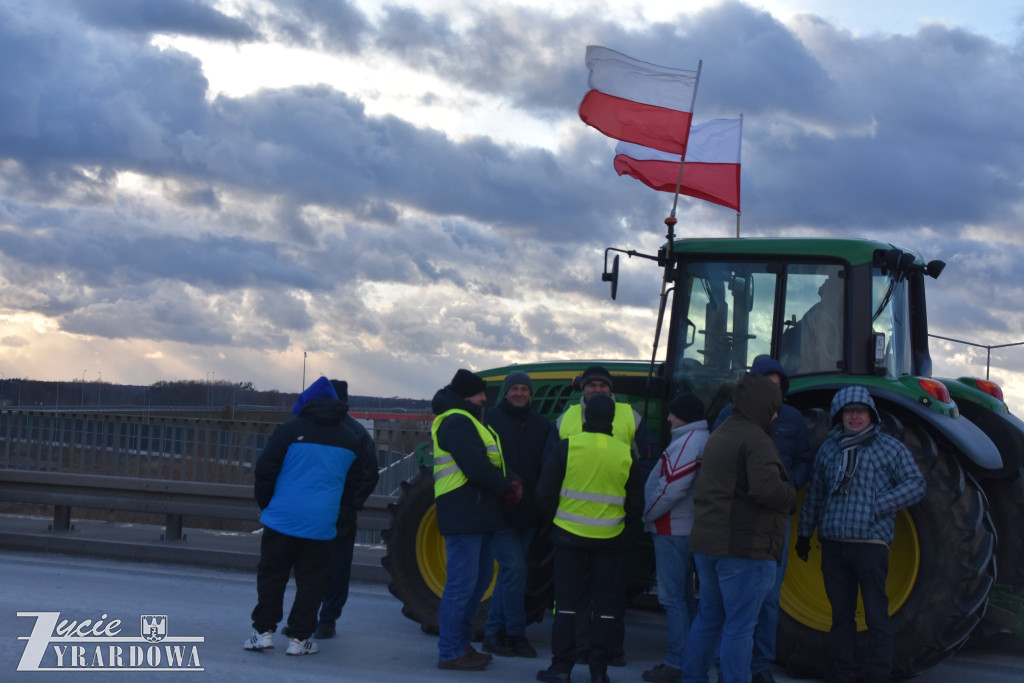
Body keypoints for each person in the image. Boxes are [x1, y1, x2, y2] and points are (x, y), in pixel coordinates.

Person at [796, 386, 925, 683]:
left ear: (871, 414)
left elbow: (916, 483)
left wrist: (879, 505)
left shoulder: (889, 448)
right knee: (841, 616)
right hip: (833, 544)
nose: (855, 417)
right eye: (849, 411)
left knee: (876, 615)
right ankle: (844, 672)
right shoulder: (829, 449)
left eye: (861, 411)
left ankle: (879, 674)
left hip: (870, 545)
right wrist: (805, 533)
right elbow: (815, 492)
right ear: (839, 416)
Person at [680, 373, 796, 683]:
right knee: (740, 627)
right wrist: (791, 492)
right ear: (761, 406)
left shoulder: (720, 434)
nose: (775, 414)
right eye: (773, 407)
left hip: (709, 546)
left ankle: (692, 678)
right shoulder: (756, 440)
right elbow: (768, 490)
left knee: (708, 619)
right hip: (744, 549)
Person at [245, 376, 368, 656]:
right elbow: (356, 483)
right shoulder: (352, 439)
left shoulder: (289, 431)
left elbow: (265, 471)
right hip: (322, 522)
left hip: (282, 518)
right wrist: (339, 512)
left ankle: (263, 632)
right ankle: (300, 639)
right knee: (312, 581)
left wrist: (268, 506)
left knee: (273, 575)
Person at [546, 365, 657, 666]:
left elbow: (646, 463)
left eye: (602, 385)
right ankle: (586, 651)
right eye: (592, 385)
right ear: (582, 389)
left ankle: (609, 652)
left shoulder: (630, 415)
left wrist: (628, 512)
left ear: (611, 389)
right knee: (583, 596)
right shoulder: (565, 418)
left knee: (605, 596)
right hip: (587, 526)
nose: (597, 389)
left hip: (608, 526)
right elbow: (550, 467)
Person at [712, 356, 812, 683]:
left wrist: (790, 485)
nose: (773, 389)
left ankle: (759, 664)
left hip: (774, 520)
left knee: (769, 597)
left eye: (777, 384)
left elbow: (803, 459)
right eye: (766, 383)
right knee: (731, 596)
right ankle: (725, 660)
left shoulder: (793, 419)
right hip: (737, 518)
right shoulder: (728, 416)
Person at [535, 394, 641, 683]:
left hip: (568, 539)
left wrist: (557, 523)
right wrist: (616, 523)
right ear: (612, 420)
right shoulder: (624, 453)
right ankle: (599, 672)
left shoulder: (567, 448)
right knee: (607, 608)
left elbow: (545, 493)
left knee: (567, 605)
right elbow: (635, 503)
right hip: (610, 540)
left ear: (584, 417)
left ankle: (561, 668)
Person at [432, 368, 524, 671]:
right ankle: (450, 651)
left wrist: (511, 479)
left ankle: (461, 645)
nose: (485, 398)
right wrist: (506, 487)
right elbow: (475, 465)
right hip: (463, 512)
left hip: (480, 513)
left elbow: (493, 460)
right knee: (461, 585)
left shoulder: (470, 420)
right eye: (480, 393)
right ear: (464, 395)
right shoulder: (455, 421)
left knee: (479, 581)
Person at [482, 371, 552, 658]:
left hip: (529, 514)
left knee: (511, 574)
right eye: (515, 389)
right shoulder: (490, 422)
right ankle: (516, 634)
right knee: (515, 570)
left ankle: (491, 633)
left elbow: (547, 466)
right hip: (497, 512)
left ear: (530, 394)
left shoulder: (542, 425)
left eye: (524, 389)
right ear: (506, 393)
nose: (520, 393)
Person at [641, 392, 709, 683]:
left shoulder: (687, 442)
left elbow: (672, 489)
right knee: (686, 597)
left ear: (684, 416)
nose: (667, 418)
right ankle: (690, 660)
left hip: (672, 528)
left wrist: (649, 514)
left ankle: (677, 663)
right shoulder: (699, 439)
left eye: (672, 413)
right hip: (684, 528)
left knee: (673, 598)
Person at [312, 380, 381, 640]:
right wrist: (353, 502)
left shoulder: (312, 427)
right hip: (334, 511)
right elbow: (370, 474)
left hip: (323, 511)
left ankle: (322, 619)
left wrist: (351, 502)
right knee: (328, 567)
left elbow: (368, 474)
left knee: (324, 567)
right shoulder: (355, 432)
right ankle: (319, 619)